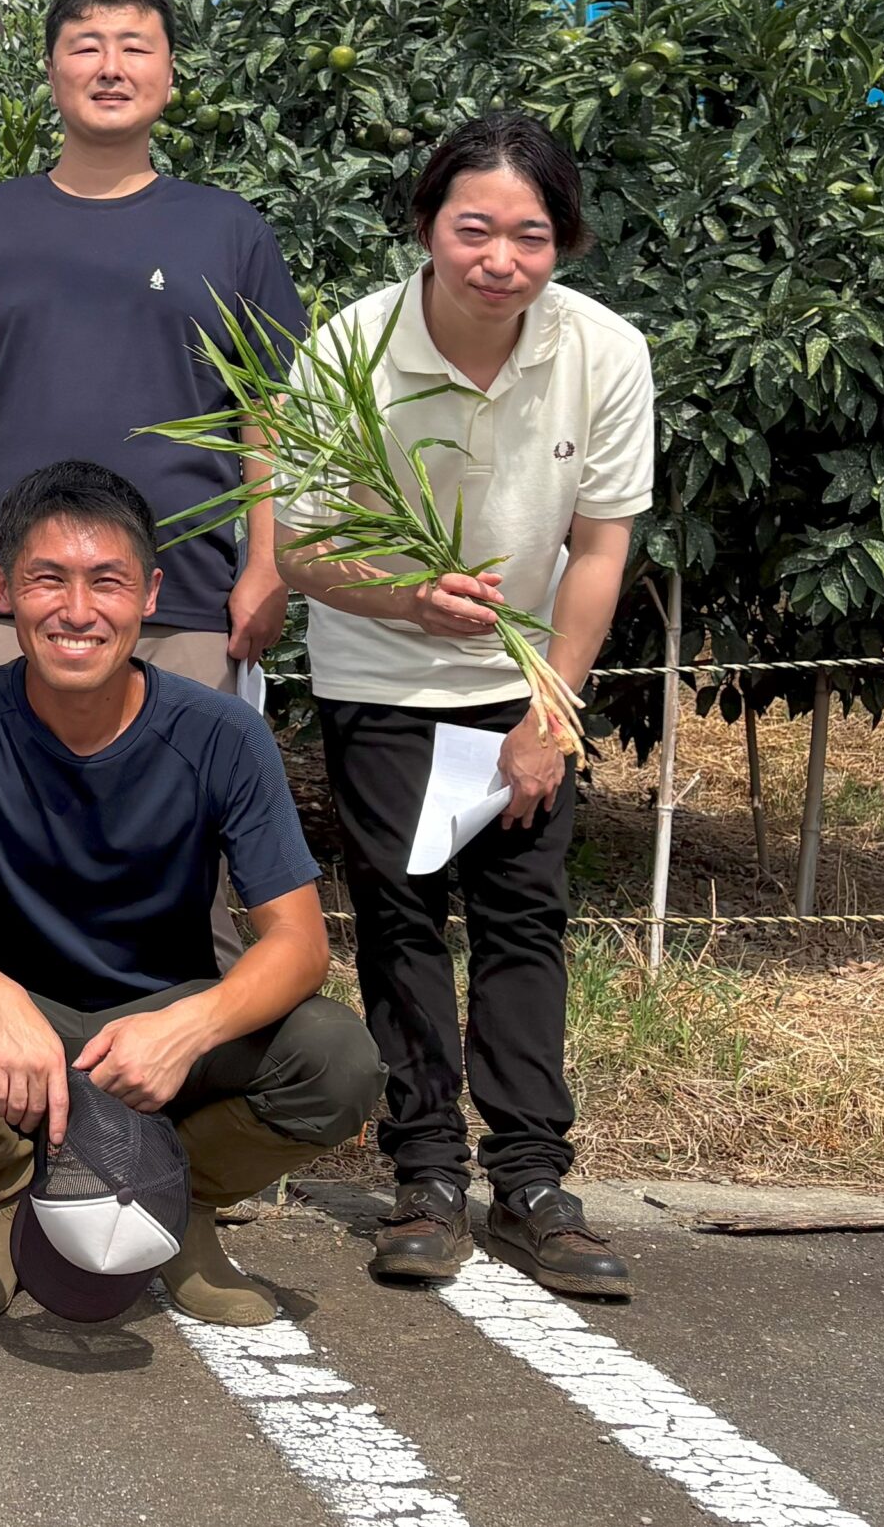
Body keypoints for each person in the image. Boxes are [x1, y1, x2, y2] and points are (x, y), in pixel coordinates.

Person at [0, 461, 383, 1328]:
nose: (78, 611)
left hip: (162, 1023)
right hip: (7, 1030)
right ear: (4, 589)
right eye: (49, 580)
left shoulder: (221, 731)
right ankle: (6, 1203)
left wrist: (189, 1027)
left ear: (151, 594)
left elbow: (299, 944)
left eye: (107, 583)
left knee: (338, 1059)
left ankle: (179, 1205)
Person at [283, 113, 652, 1300]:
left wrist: (552, 708)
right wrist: (404, 599)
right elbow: (299, 548)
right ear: (428, 227)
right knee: (399, 923)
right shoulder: (351, 348)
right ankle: (427, 1175)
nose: (501, 257)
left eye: (530, 235)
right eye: (474, 228)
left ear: (564, 243)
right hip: (384, 679)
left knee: (523, 919)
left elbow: (598, 549)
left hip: (523, 685)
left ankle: (536, 1181)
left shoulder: (603, 352)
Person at [0, 0, 303, 965]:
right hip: (3, 598)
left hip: (187, 594)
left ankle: (182, 1069)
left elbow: (266, 413)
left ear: (170, 72)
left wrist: (267, 562)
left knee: (184, 865)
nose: (110, 66)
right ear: (50, 70)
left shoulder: (228, 230)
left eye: (135, 46)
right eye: (86, 45)